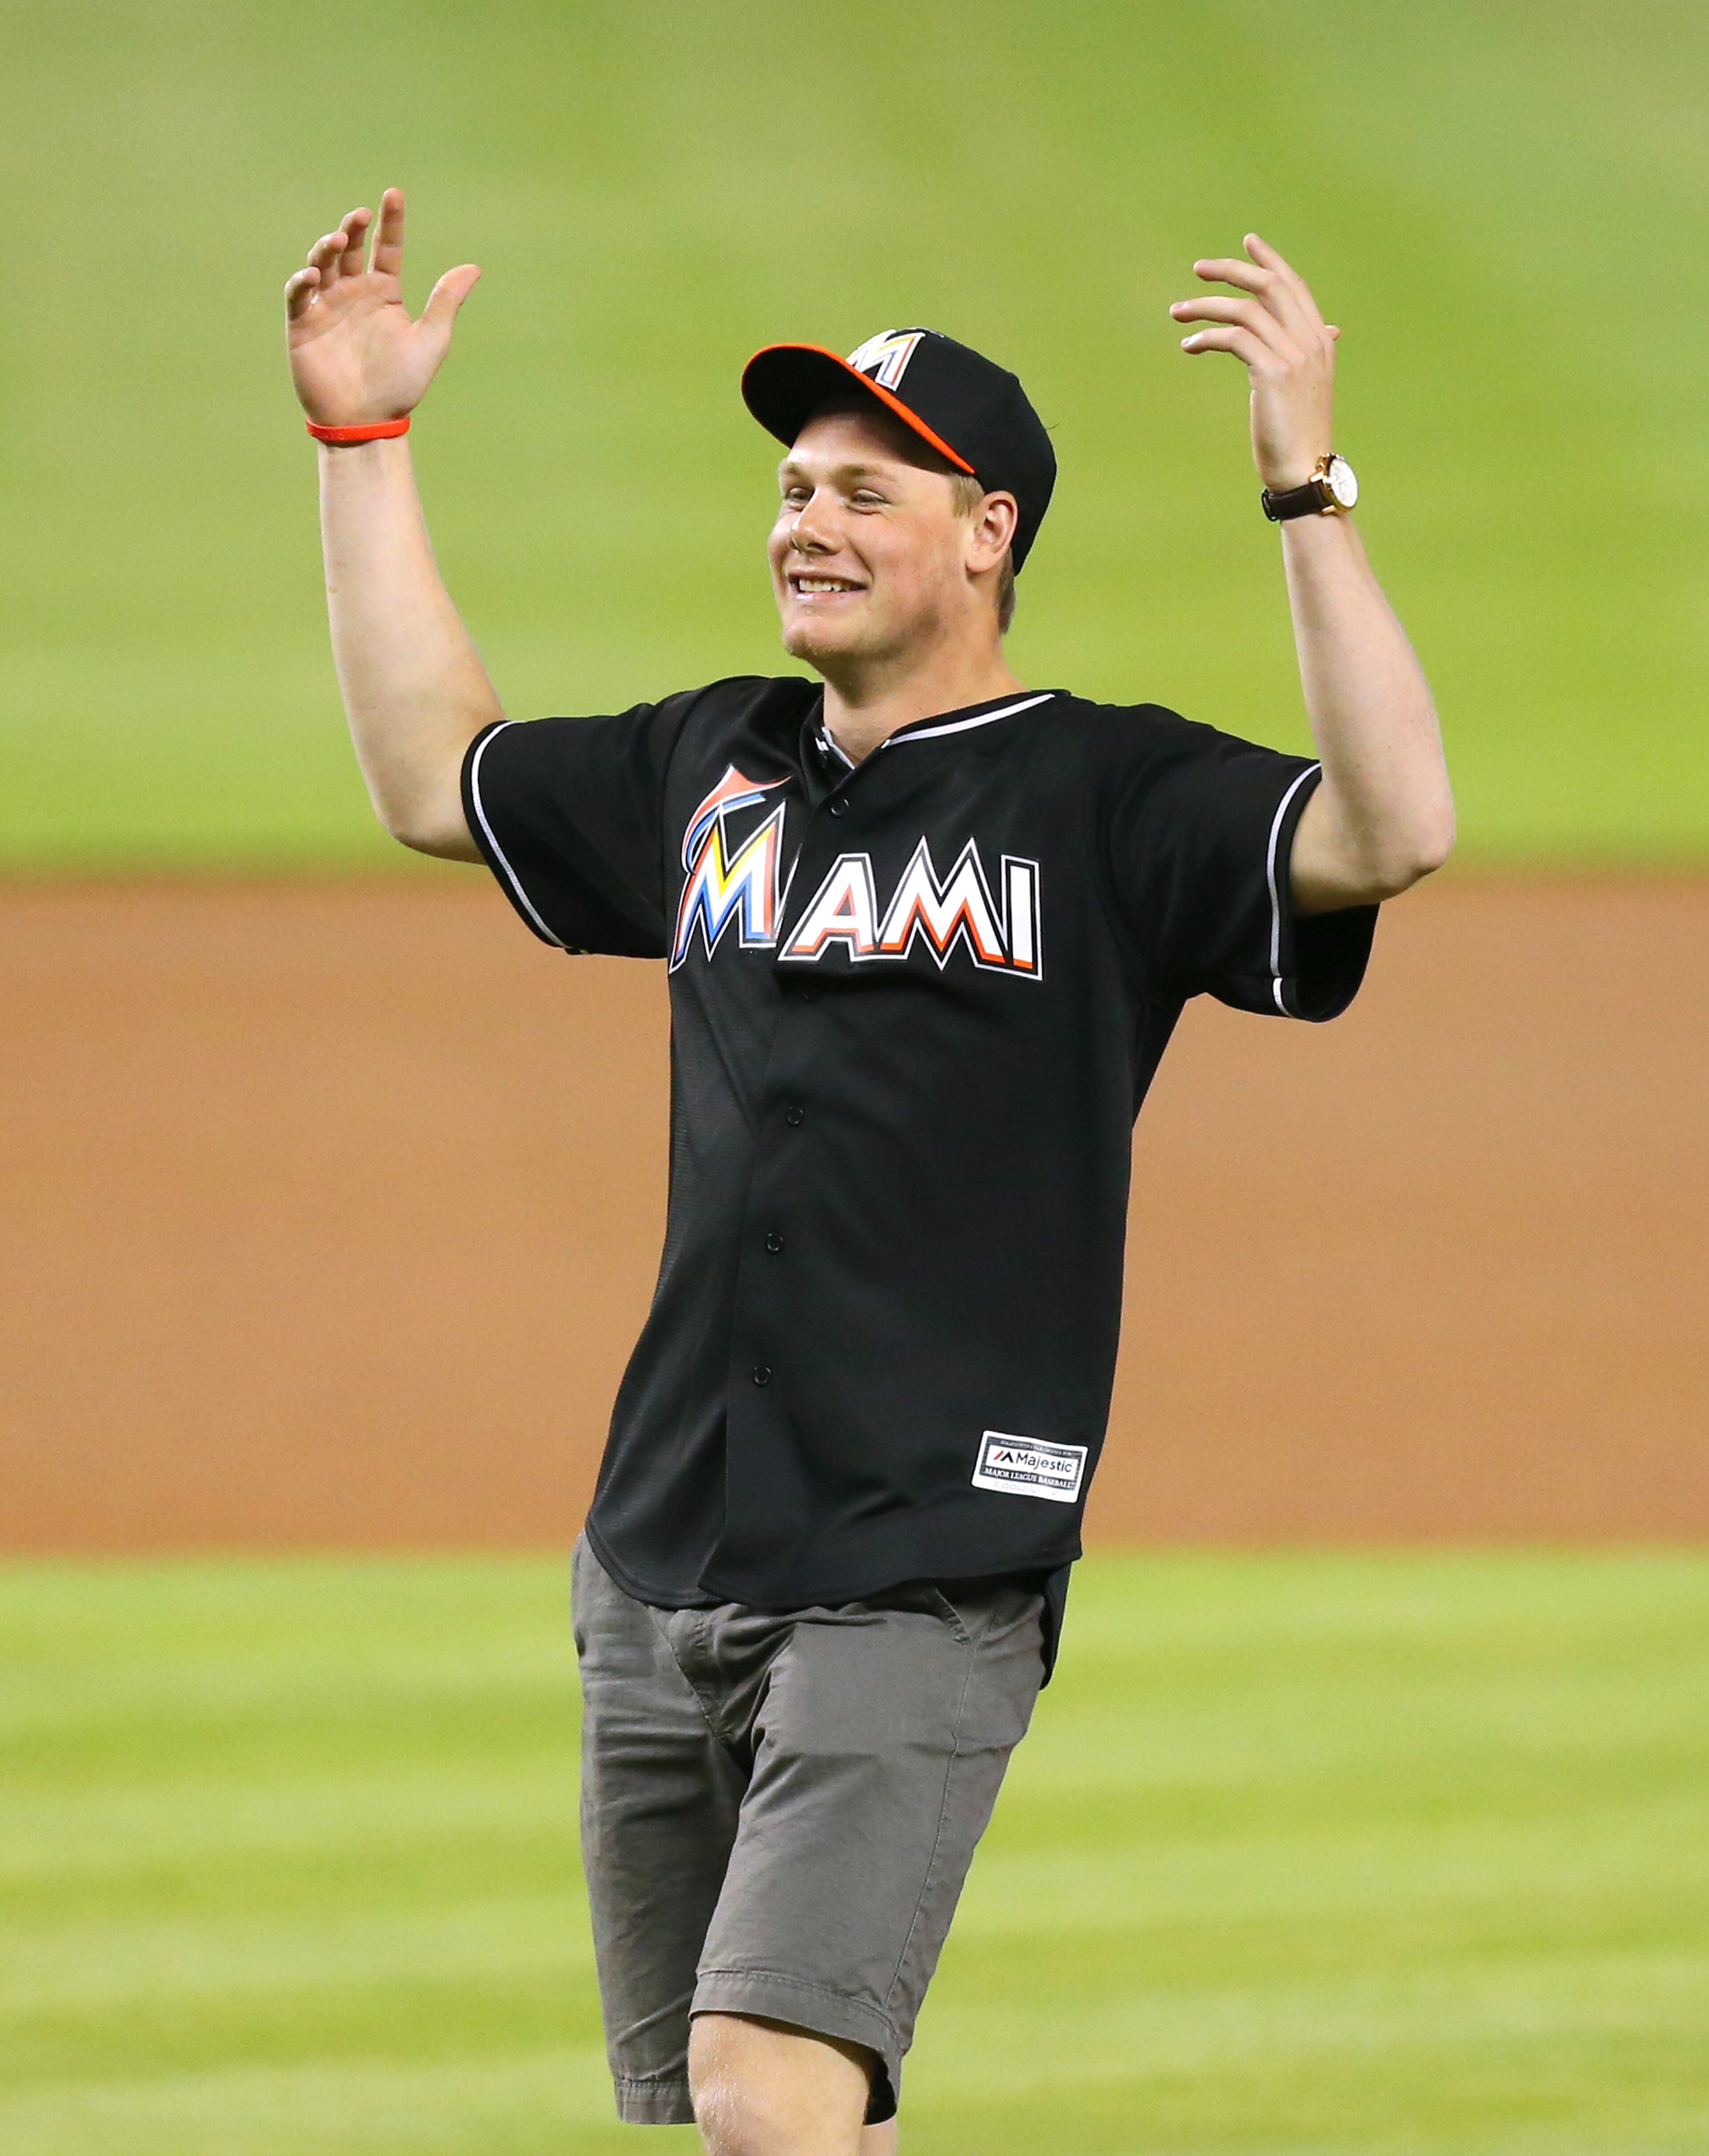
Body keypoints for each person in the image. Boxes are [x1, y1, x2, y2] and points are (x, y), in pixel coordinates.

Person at [285, 188, 1453, 2156]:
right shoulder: (713, 763)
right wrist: (361, 443)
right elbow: (435, 775)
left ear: (989, 530)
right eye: (794, 482)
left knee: (763, 2093)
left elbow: (1392, 824)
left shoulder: (1105, 794)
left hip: (921, 1551)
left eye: (864, 488)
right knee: (763, 2109)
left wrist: (1305, 492)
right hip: (661, 1545)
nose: (804, 520)